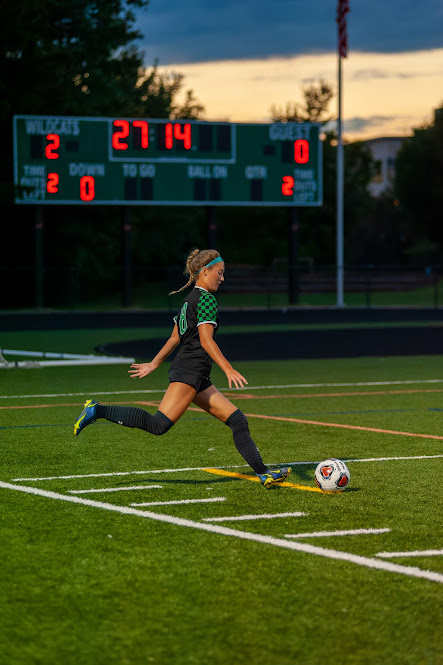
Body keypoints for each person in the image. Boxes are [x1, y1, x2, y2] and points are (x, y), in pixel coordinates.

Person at [74, 248, 291, 489]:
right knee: (159, 425)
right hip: (190, 371)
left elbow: (175, 337)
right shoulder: (206, 299)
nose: (222, 278)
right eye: (219, 273)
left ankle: (264, 474)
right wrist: (228, 369)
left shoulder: (190, 300)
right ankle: (97, 410)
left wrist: (154, 363)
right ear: (205, 272)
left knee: (238, 420)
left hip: (197, 374)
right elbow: (206, 341)